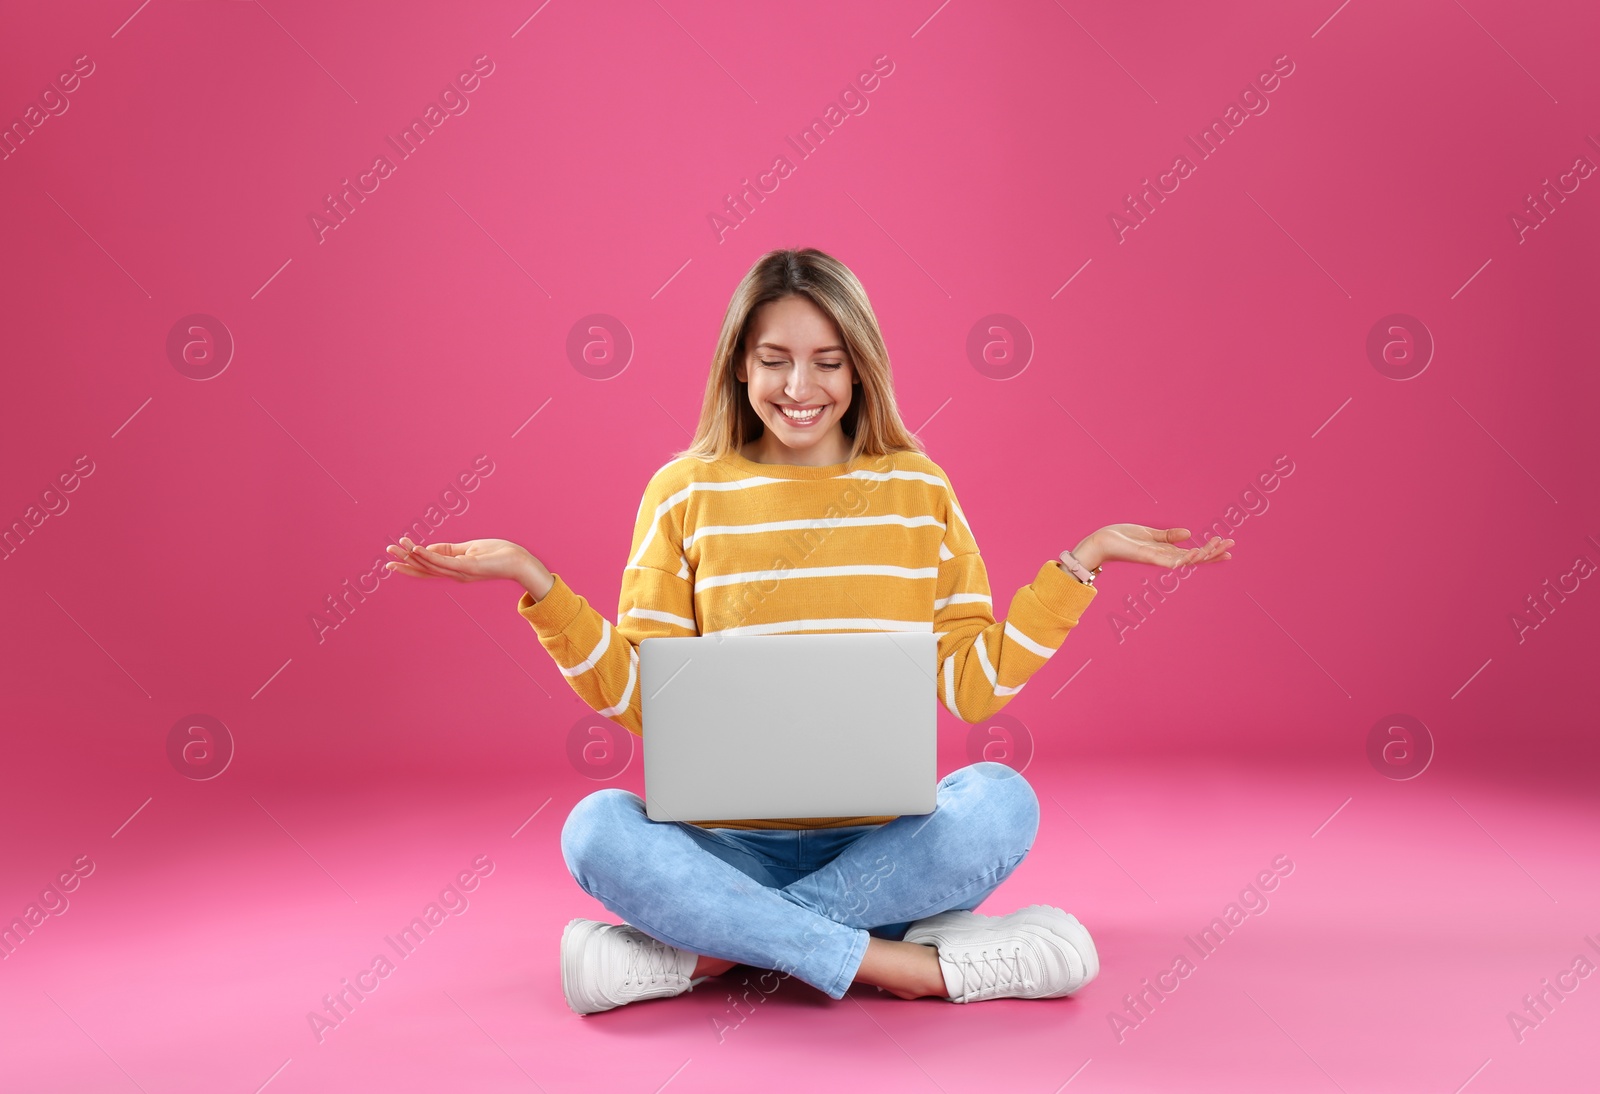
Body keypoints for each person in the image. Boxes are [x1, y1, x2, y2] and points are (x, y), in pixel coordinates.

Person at [384, 247, 1233, 1015]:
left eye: (827, 363)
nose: (800, 388)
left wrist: (1081, 564)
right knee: (595, 828)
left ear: (860, 371)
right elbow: (645, 698)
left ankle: (714, 954)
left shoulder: (917, 490)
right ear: (738, 366)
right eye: (775, 361)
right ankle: (903, 966)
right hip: (727, 853)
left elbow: (974, 687)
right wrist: (535, 582)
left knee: (1002, 801)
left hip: (879, 850)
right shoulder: (684, 492)